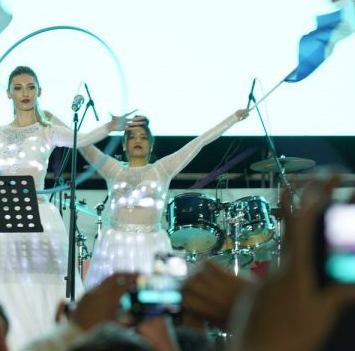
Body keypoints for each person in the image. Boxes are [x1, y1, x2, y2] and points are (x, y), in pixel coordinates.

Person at [0, 65, 138, 351]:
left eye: (31, 87)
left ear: (39, 91)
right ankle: (5, 346)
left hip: (40, 217)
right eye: (19, 87)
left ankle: (53, 348)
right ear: (9, 93)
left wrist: (110, 127)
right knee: (3, 284)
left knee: (46, 285)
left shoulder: (47, 132)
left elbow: (81, 139)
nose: (25, 93)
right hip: (3, 220)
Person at [79, 109, 249, 288]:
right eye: (132, 137)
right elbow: (83, 144)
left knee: (153, 301)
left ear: (151, 145)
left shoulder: (162, 169)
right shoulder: (112, 169)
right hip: (115, 246)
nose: (138, 141)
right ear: (124, 144)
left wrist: (234, 118)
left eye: (144, 138)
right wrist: (51, 118)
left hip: (151, 246)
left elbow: (200, 142)